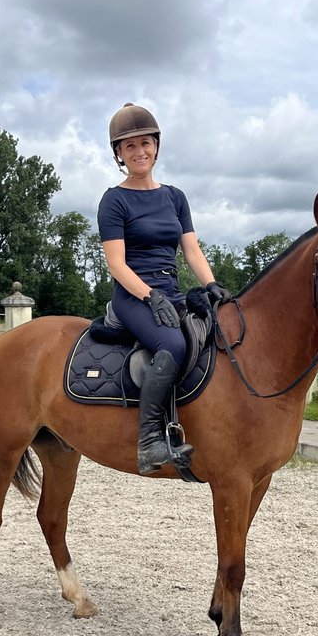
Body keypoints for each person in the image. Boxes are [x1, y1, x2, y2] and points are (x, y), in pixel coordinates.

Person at [97, 102, 234, 475]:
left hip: (170, 292)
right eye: (129, 147)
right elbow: (116, 264)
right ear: (119, 155)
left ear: (156, 145)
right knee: (173, 343)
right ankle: (150, 442)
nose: (139, 152)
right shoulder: (115, 200)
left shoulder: (175, 197)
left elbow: (191, 249)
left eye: (145, 143)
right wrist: (148, 295)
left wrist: (211, 283)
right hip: (132, 295)